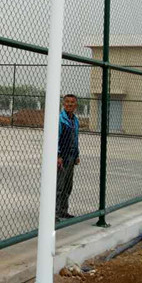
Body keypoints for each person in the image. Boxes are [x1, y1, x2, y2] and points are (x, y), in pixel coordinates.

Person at [56, 93, 80, 221]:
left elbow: (75, 139)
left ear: (76, 105)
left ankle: (63, 211)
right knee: (59, 186)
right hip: (62, 157)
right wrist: (58, 155)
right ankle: (54, 213)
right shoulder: (60, 119)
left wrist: (77, 154)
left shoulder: (75, 120)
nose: (70, 104)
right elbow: (56, 138)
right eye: (67, 102)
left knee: (67, 186)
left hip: (71, 156)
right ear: (63, 104)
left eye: (72, 102)